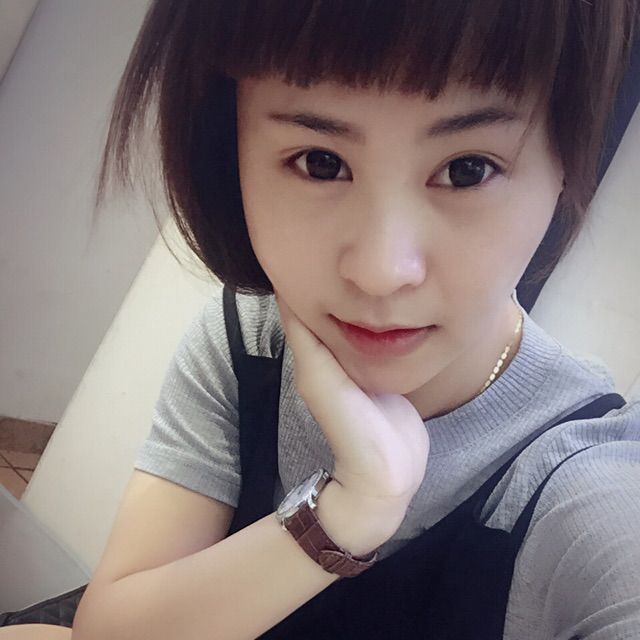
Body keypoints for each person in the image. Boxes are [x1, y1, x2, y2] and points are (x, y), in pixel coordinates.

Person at [3, 1, 639, 638]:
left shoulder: (581, 473)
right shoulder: (250, 345)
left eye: (467, 170)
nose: (382, 271)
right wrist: (345, 514)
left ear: (565, 168)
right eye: (320, 162)